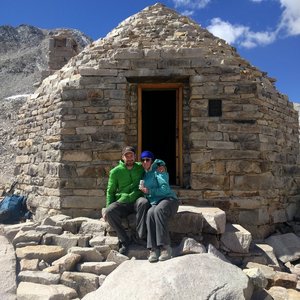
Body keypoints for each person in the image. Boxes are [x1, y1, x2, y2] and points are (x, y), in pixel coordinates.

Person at [103, 146, 150, 255]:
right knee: (110, 211)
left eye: (131, 155)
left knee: (144, 202)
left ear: (135, 156)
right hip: (122, 202)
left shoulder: (140, 167)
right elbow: (110, 191)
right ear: (122, 157)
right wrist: (107, 207)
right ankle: (124, 240)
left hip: (137, 200)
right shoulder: (115, 172)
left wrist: (161, 167)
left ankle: (140, 237)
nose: (129, 158)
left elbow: (153, 165)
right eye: (126, 156)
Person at [139, 150, 179, 263]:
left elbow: (165, 189)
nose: (145, 162)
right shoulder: (145, 174)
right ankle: (153, 249)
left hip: (169, 200)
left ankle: (165, 247)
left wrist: (149, 191)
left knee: (158, 211)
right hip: (155, 202)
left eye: (148, 159)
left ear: (152, 160)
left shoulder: (159, 170)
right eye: (143, 160)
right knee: (150, 213)